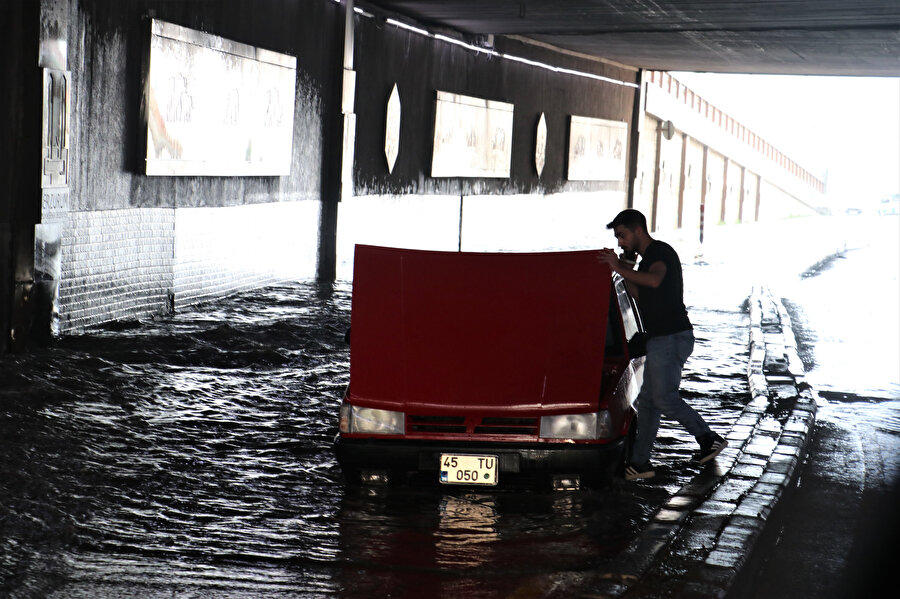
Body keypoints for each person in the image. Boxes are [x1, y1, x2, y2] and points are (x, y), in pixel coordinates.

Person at [598, 209, 727, 480]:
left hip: (671, 337)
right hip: (662, 338)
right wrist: (626, 270)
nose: (620, 242)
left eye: (622, 235)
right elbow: (641, 295)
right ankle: (639, 464)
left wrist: (617, 266)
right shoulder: (645, 262)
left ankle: (708, 438)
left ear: (637, 231)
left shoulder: (659, 253)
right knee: (647, 403)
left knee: (664, 399)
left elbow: (655, 280)